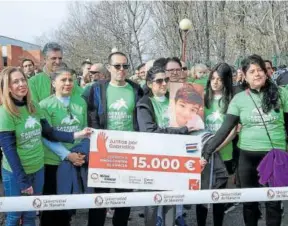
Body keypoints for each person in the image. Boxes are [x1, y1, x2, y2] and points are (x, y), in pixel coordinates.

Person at [202, 54, 288, 226]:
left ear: (266, 73)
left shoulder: (282, 94)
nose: (257, 74)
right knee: (249, 203)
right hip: (247, 157)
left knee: (273, 203)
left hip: (275, 156)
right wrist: (206, 153)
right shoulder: (239, 99)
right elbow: (224, 129)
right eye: (252, 71)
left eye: (260, 70)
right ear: (245, 76)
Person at [0, 67, 92, 226]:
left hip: (37, 169)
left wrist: (79, 134)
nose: (21, 84)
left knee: (30, 214)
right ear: (7, 87)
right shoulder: (5, 113)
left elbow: (49, 133)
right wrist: (23, 181)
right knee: (14, 215)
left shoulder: (34, 106)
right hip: (15, 173)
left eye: (23, 80)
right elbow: (9, 150)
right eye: (15, 81)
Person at [83, 51, 143, 226]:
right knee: (99, 198)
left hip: (128, 151)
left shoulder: (135, 88)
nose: (121, 69)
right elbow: (88, 112)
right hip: (103, 151)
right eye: (117, 66)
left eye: (125, 66)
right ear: (109, 68)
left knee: (123, 199)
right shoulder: (96, 88)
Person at [137, 66, 195, 226]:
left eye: (166, 80)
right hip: (153, 158)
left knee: (170, 200)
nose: (164, 83)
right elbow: (150, 131)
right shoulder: (144, 103)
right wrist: (181, 130)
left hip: (173, 156)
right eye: (159, 80)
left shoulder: (175, 99)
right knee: (152, 201)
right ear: (149, 84)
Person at [39, 67, 90, 226]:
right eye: (63, 80)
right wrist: (67, 155)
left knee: (67, 209)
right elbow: (46, 137)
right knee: (51, 207)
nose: (68, 83)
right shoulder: (44, 105)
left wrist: (80, 154)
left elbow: (85, 130)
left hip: (76, 161)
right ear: (54, 83)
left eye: (71, 80)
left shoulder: (80, 102)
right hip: (53, 163)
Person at [196, 63, 237, 226]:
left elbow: (234, 130)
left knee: (219, 196)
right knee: (202, 194)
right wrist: (206, 150)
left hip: (224, 152)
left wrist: (215, 148)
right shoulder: (202, 98)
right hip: (203, 155)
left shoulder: (232, 100)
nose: (215, 82)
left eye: (219, 79)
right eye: (212, 78)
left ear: (226, 80)